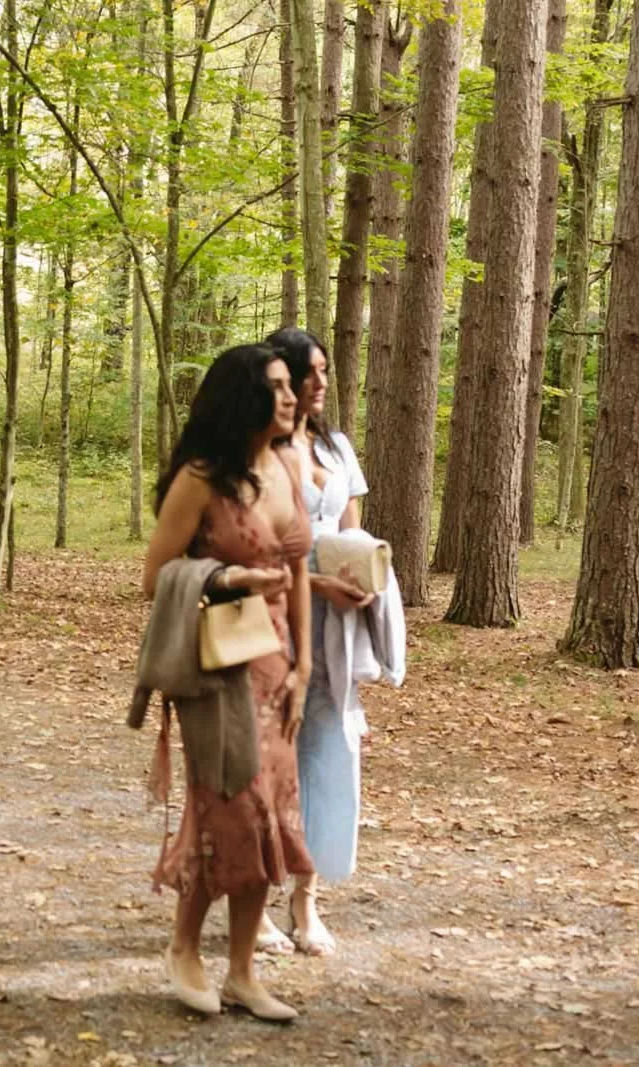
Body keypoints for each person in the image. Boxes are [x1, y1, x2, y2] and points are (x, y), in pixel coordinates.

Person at [141, 343, 312, 1021]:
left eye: (290, 385)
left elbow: (299, 570)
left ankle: (242, 970)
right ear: (243, 396)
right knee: (226, 811)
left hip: (277, 668)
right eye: (276, 387)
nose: (292, 396)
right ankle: (185, 947)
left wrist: (304, 665)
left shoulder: (285, 465)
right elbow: (155, 576)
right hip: (215, 668)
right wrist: (226, 577)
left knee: (270, 814)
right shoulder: (201, 477)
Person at [258, 327, 379, 957]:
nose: (322, 383)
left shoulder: (338, 447)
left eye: (325, 371)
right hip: (273, 620)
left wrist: (363, 580)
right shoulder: (257, 450)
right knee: (269, 761)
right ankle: (254, 901)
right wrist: (316, 583)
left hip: (334, 632)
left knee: (331, 759)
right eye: (310, 373)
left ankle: (307, 899)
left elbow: (349, 535)